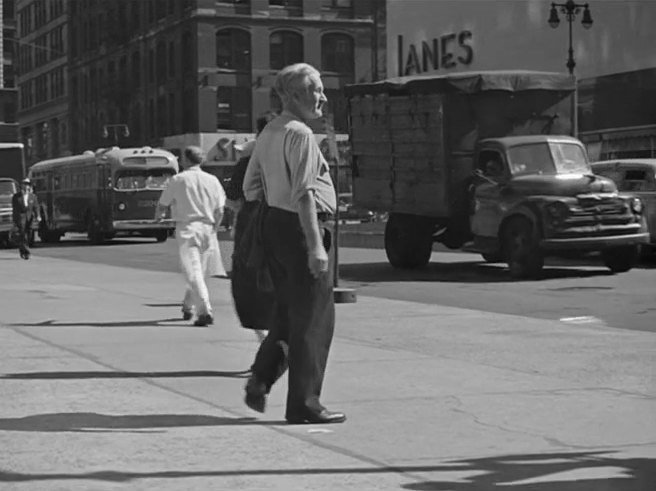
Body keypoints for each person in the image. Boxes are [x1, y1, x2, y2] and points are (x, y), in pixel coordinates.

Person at [241, 63, 345, 425]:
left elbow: (249, 187)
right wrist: (316, 245)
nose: (323, 96)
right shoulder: (300, 134)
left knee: (288, 312)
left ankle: (261, 376)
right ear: (296, 95)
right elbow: (304, 194)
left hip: (275, 227)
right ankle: (304, 403)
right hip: (303, 228)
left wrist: (274, 208)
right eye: (317, 89)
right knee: (314, 319)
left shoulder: (270, 131)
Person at [155, 146, 226, 327]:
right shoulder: (212, 180)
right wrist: (214, 229)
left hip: (187, 228)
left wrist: (159, 218)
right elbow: (220, 210)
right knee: (198, 271)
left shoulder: (178, 179)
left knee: (193, 272)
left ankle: (204, 311)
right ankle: (188, 306)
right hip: (208, 228)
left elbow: (162, 204)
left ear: (186, 160)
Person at [12, 178, 40, 260]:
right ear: (22, 185)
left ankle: (23, 249)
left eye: (27, 184)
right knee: (23, 235)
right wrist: (14, 221)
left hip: (29, 218)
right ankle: (27, 252)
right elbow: (15, 210)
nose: (26, 186)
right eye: (24, 184)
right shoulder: (16, 197)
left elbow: (36, 207)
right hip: (21, 218)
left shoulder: (33, 196)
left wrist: (38, 215)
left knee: (29, 234)